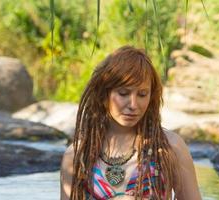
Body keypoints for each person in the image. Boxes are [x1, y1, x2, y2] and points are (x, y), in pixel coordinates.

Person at [60, 45, 202, 200]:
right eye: (123, 93)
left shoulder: (170, 148)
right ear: (103, 94)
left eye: (142, 94)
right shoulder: (77, 155)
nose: (133, 104)